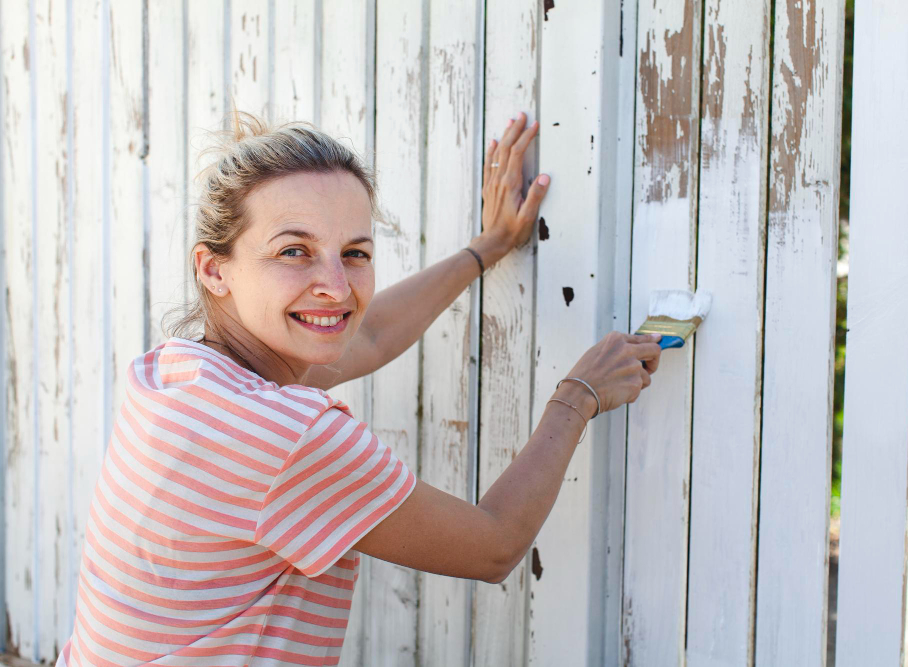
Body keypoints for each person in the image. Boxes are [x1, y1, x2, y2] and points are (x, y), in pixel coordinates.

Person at [56, 108, 663, 666]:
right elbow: (495, 546)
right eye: (293, 251)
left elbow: (367, 340)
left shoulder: (180, 374)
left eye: (354, 253)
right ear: (214, 269)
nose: (337, 287)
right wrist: (579, 393)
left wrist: (487, 247)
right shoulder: (285, 435)